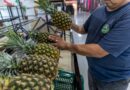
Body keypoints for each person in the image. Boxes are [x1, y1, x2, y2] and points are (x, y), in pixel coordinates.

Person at [49, 0, 130, 90]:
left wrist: (66, 45)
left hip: (113, 80)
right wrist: (68, 23)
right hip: (93, 71)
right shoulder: (99, 10)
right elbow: (82, 29)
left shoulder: (127, 15)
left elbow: (100, 51)